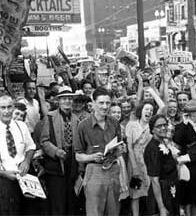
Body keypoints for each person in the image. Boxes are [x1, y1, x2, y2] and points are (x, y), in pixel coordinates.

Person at [74, 88, 124, 216]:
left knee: (113, 211)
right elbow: (78, 156)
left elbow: (118, 147)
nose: (105, 106)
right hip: (94, 172)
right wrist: (91, 157)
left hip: (113, 170)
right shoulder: (83, 126)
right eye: (101, 103)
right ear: (93, 103)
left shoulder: (114, 122)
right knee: (94, 211)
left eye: (108, 103)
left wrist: (120, 150)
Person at [40, 86, 80, 215]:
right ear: (59, 101)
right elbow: (44, 141)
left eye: (69, 98)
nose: (67, 101)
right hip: (55, 166)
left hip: (72, 163)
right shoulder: (50, 117)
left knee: (71, 199)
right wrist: (56, 151)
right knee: (58, 200)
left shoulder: (76, 119)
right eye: (64, 99)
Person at [173, 99, 196, 216]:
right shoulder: (181, 126)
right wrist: (184, 124)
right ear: (193, 113)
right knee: (189, 196)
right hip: (189, 166)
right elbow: (177, 139)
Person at [0, 94, 36, 215]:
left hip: (24, 178)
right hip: (4, 180)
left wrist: (27, 161)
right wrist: (4, 173)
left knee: (28, 210)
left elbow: (31, 147)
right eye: (3, 107)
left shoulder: (21, 126)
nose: (6, 111)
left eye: (9, 107)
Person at [144, 114, 180, 216]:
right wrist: (161, 208)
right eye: (159, 126)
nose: (163, 128)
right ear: (152, 130)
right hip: (161, 193)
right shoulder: (152, 149)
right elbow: (154, 180)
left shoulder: (163, 142)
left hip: (170, 189)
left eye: (165, 125)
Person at [126, 100, 155, 216]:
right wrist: (134, 167)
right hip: (135, 160)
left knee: (150, 190)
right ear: (141, 110)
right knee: (136, 191)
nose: (149, 112)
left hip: (148, 161)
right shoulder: (131, 125)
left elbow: (163, 106)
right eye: (147, 109)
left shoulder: (152, 126)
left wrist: (152, 91)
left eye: (152, 110)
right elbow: (129, 147)